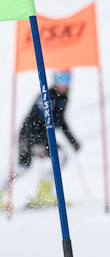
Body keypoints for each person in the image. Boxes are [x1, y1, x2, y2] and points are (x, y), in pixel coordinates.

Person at [0, 70, 81, 209]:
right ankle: (4, 191)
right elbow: (36, 120)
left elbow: (61, 121)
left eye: (66, 79)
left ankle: (44, 193)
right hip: (29, 136)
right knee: (23, 167)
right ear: (54, 80)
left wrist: (72, 141)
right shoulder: (47, 96)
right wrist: (37, 144)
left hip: (41, 138)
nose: (63, 84)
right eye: (60, 78)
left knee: (60, 156)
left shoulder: (63, 98)